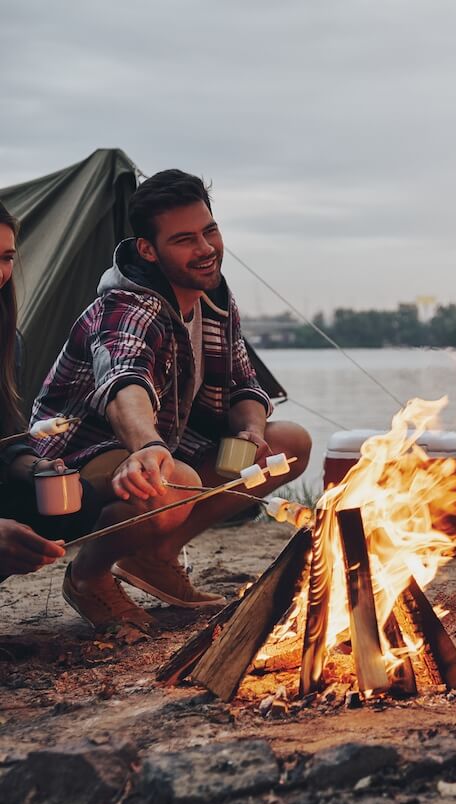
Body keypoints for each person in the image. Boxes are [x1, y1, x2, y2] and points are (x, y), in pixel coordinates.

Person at [29, 170, 312, 633]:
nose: (205, 248)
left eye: (210, 231)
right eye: (184, 240)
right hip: (74, 459)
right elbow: (125, 384)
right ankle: (88, 575)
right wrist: (146, 446)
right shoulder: (127, 305)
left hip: (159, 448)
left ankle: (155, 556)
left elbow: (245, 385)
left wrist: (251, 430)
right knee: (170, 478)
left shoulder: (214, 298)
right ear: (148, 249)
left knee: (287, 444)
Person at [0, 201, 88, 581]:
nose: (0, 272)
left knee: (72, 500)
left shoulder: (7, 340)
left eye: (6, 258)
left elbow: (6, 439)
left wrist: (39, 468)